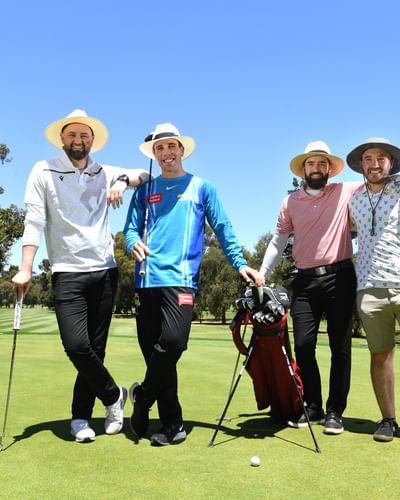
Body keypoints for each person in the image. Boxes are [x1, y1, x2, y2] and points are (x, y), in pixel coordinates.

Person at [12, 109, 148, 443]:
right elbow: (34, 221)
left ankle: (79, 418)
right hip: (66, 271)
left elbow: (144, 177)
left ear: (93, 140)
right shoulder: (43, 170)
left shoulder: (105, 172)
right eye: (72, 135)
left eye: (84, 136)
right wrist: (26, 267)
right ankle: (113, 395)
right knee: (76, 345)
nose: (78, 141)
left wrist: (119, 181)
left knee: (95, 349)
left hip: (104, 271)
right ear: (62, 138)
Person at [123, 123, 263, 445]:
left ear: (181, 150)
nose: (166, 153)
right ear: (155, 154)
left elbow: (223, 228)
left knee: (172, 344)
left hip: (181, 280)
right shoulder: (145, 191)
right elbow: (130, 229)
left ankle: (142, 398)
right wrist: (132, 242)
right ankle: (173, 424)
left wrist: (240, 264)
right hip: (147, 280)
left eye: (172, 146)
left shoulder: (202, 187)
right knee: (156, 354)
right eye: (160, 148)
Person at [260, 141, 360, 434]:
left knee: (339, 347)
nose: (316, 169)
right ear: (304, 169)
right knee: (304, 345)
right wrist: (264, 272)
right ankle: (312, 405)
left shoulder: (346, 191)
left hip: (340, 276)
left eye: (321, 164)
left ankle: (334, 411)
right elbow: (279, 240)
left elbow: (380, 180)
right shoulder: (290, 202)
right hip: (303, 280)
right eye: (311, 164)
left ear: (330, 168)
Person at [347, 138, 400, 442]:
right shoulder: (352, 199)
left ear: (391, 164)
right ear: (361, 165)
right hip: (370, 288)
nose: (375, 163)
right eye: (369, 158)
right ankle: (388, 420)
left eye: (382, 158)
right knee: (381, 356)